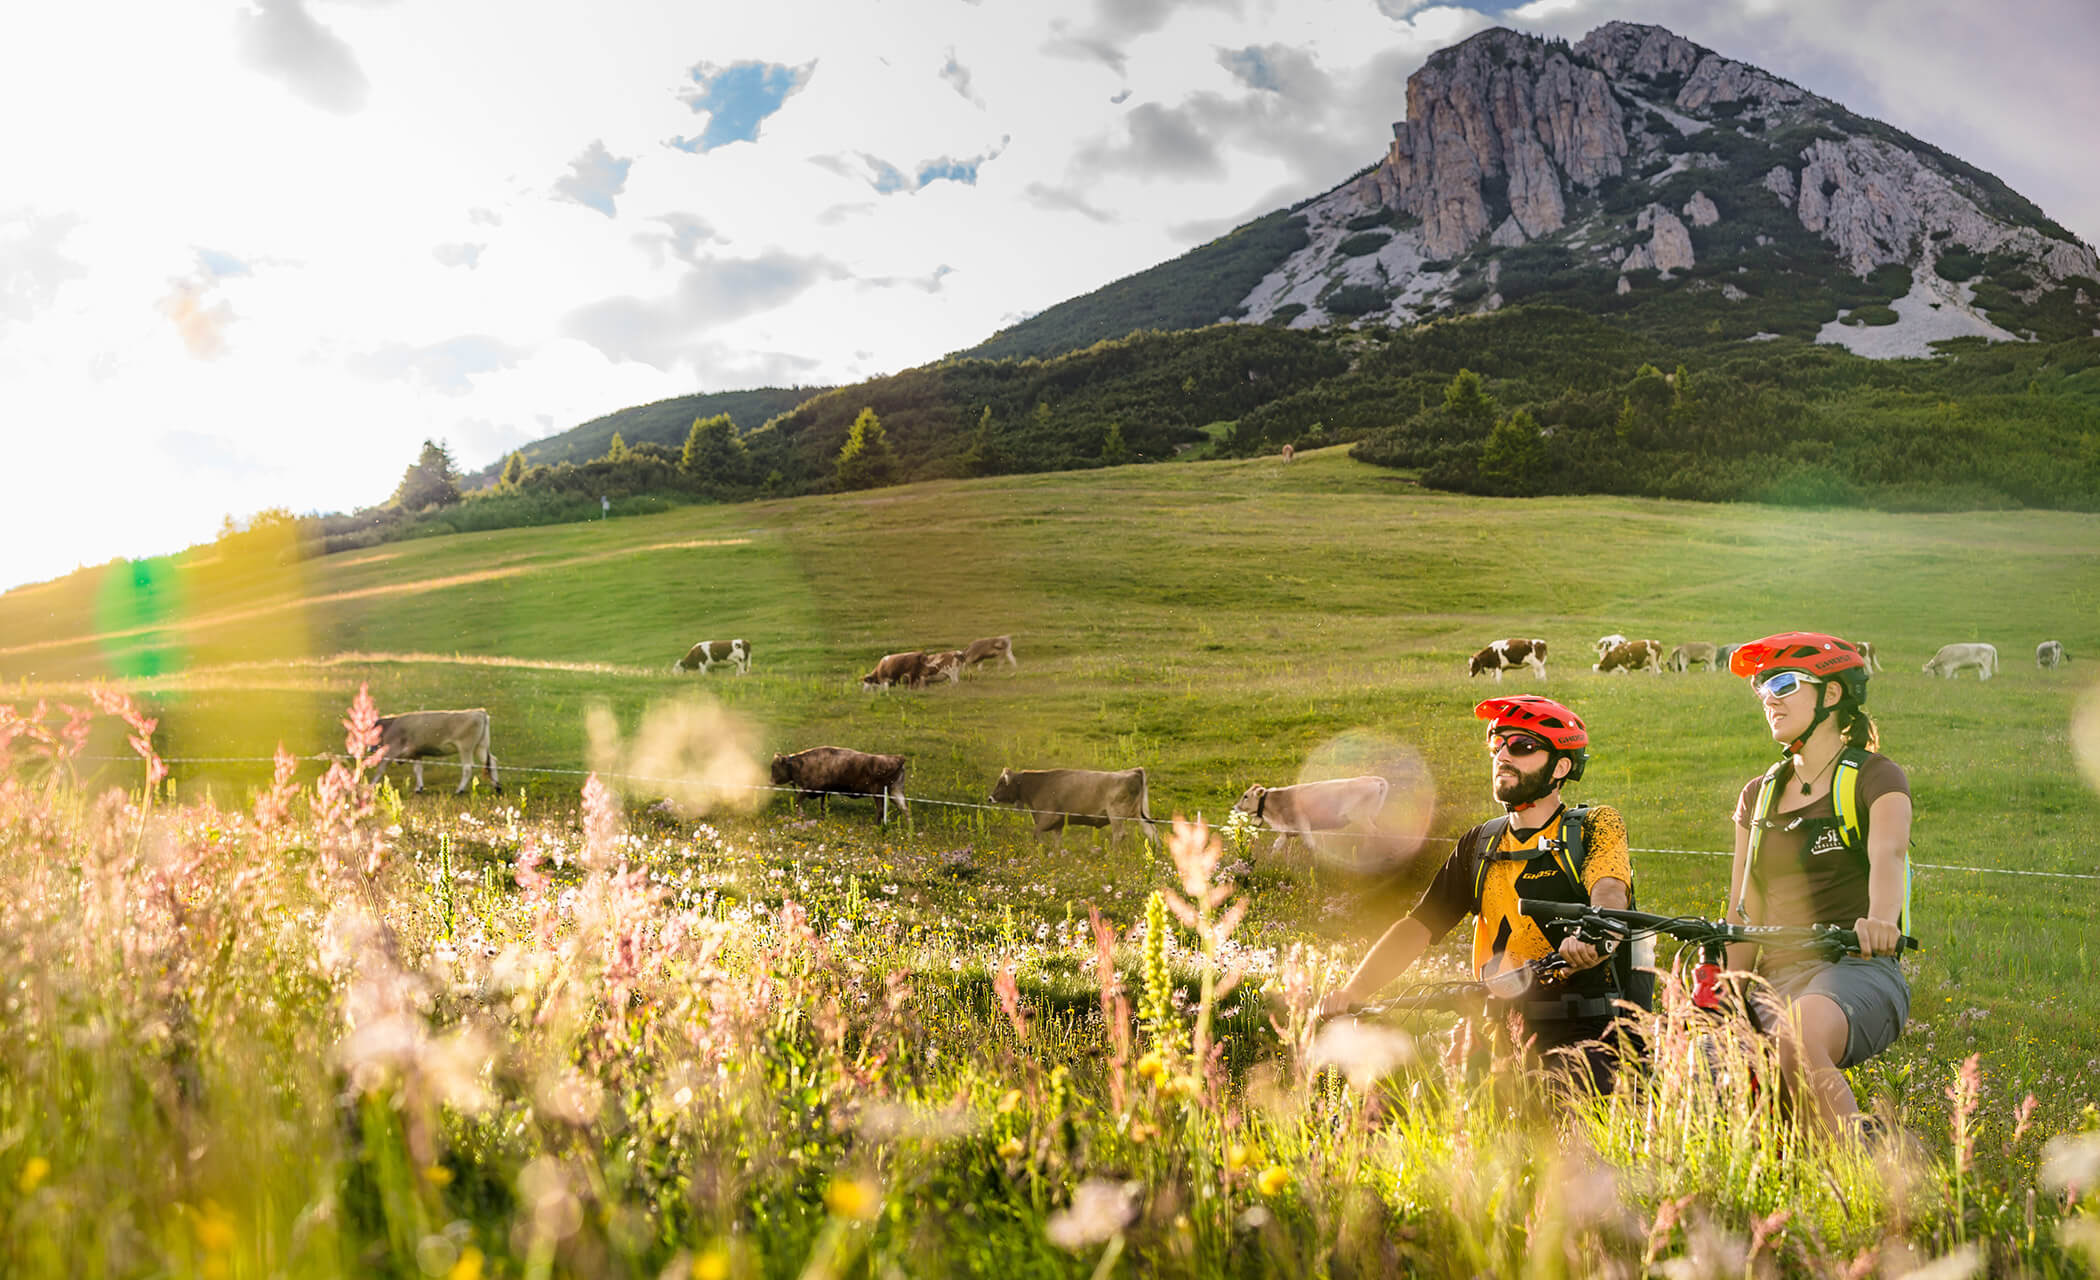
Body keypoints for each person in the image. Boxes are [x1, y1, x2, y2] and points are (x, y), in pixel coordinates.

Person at [1321, 695, 1639, 1090]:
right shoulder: (1481, 844)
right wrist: (1354, 990)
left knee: (1557, 1106)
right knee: (1404, 1096)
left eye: (1521, 746)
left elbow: (1609, 889)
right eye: (1497, 743)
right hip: (1499, 1027)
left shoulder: (1594, 826)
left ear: (1560, 767)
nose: (1503, 754)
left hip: (1588, 1032)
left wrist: (1594, 931)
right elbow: (1418, 926)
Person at [1724, 632, 1911, 1137]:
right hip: (1775, 972)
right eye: (1762, 686)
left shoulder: (1876, 777)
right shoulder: (1758, 796)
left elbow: (1888, 856)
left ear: (1831, 695)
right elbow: (1744, 906)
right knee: (1712, 1068)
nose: (1769, 696)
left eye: (1783, 682)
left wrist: (1881, 923)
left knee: (1799, 1036)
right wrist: (1726, 994)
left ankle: (1863, 1173)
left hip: (1857, 965)